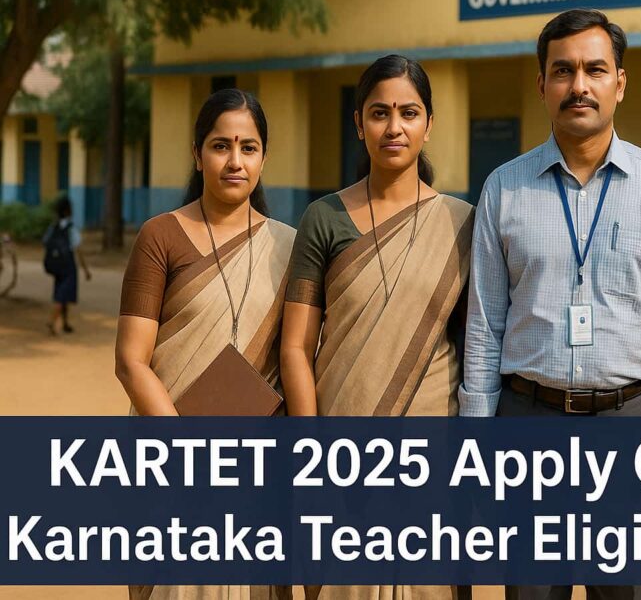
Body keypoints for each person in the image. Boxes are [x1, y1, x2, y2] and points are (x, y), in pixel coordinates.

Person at [461, 8, 641, 600]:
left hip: (630, 426)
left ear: (620, 83)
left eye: (595, 70)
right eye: (563, 71)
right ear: (541, 84)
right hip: (528, 424)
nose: (579, 85)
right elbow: (484, 325)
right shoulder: (504, 188)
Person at [280, 55, 474, 600]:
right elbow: (295, 346)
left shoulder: (461, 223)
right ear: (358, 123)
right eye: (379, 113)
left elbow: (473, 347)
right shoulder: (324, 218)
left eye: (409, 113)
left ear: (428, 124)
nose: (394, 127)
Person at [114, 88, 295, 600]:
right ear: (197, 155)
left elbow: (296, 358)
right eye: (220, 146)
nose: (235, 161)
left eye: (248, 147)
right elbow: (130, 361)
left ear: (263, 157)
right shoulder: (161, 236)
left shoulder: (288, 246)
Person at [43, 195, 91, 334]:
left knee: (62, 293)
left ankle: (65, 323)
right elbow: (78, 250)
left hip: (56, 266)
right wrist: (86, 270)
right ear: (67, 211)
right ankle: (52, 321)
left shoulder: (53, 227)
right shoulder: (71, 228)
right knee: (62, 296)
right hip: (68, 266)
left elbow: (45, 242)